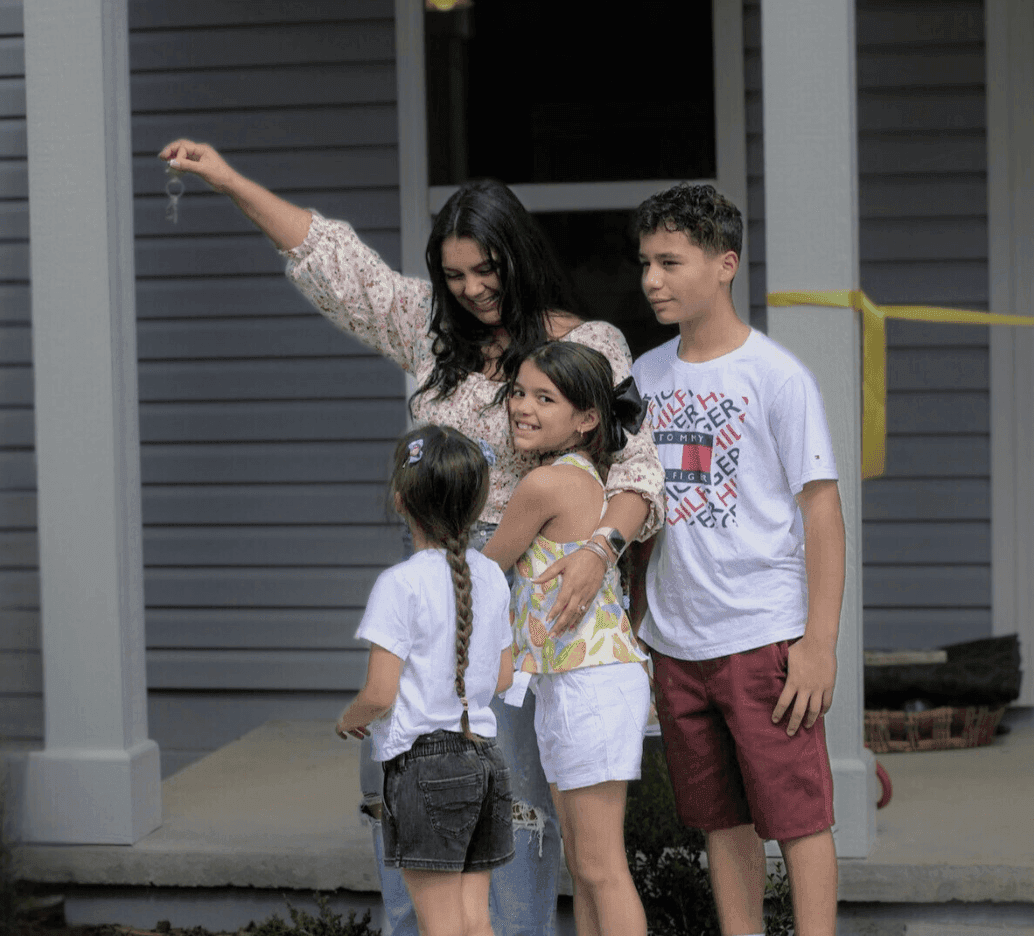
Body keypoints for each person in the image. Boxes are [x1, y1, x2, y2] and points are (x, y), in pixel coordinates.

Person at [159, 138, 665, 936]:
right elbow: (331, 258)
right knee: (410, 785)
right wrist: (225, 180)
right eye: (455, 275)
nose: (471, 290)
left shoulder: (586, 345)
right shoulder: (430, 330)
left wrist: (600, 548)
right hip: (434, 574)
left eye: (485, 270)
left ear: (519, 255)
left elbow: (637, 473)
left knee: (514, 797)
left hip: (529, 586)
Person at [628, 182, 844, 936]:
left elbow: (822, 511)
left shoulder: (775, 376)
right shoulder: (645, 378)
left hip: (764, 639)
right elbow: (637, 505)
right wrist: (635, 620)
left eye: (670, 261)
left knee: (799, 818)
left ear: (725, 264)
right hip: (678, 642)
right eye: (646, 262)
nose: (652, 278)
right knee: (721, 822)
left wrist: (817, 645)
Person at [479, 342, 652, 936]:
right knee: (582, 863)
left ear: (586, 420)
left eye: (543, 398)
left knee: (600, 866)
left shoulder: (548, 485)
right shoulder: (575, 476)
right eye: (519, 393)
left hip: (591, 683)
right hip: (569, 682)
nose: (523, 407)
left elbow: (483, 569)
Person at [336, 425, 517, 936]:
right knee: (474, 921)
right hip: (485, 761)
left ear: (400, 500)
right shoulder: (490, 576)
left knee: (437, 925)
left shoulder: (400, 584)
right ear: (479, 502)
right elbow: (502, 677)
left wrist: (349, 719)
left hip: (424, 766)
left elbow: (379, 692)